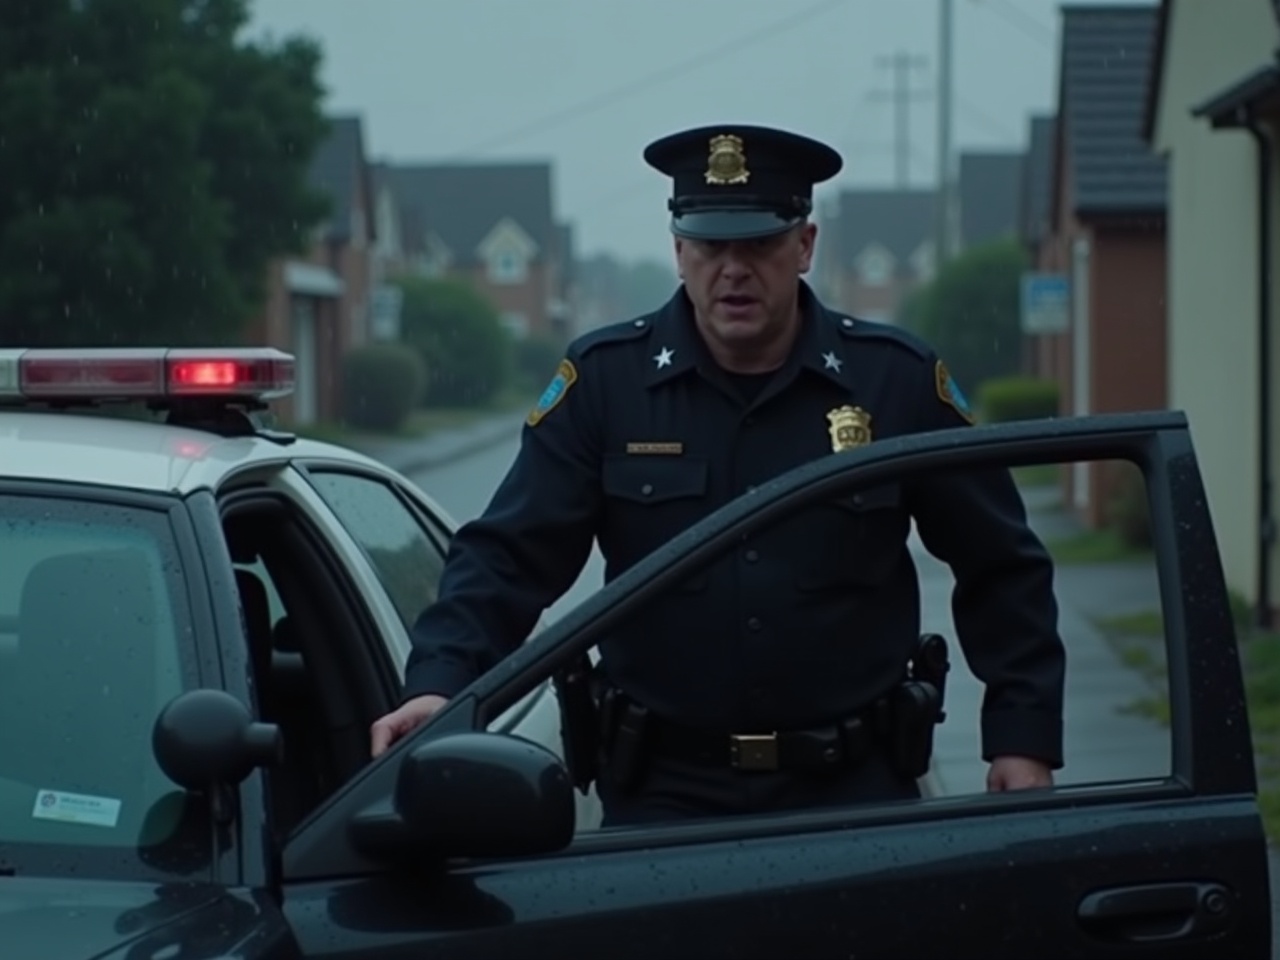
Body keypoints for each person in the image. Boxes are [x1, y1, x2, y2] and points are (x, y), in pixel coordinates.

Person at [370, 123, 1066, 826]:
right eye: (709, 245)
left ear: (805, 246)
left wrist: (1023, 737)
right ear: (678, 251)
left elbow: (999, 563)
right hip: (662, 796)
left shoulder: (895, 381)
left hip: (855, 793)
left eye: (760, 243)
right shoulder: (607, 384)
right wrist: (441, 686)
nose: (733, 268)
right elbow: (507, 557)